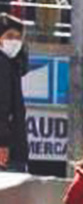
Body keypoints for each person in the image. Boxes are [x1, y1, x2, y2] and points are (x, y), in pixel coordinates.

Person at [0, 13, 27, 173]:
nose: (15, 41)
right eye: (9, 36)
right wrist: (2, 143)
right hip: (7, 152)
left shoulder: (11, 64)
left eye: (18, 37)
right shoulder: (2, 64)